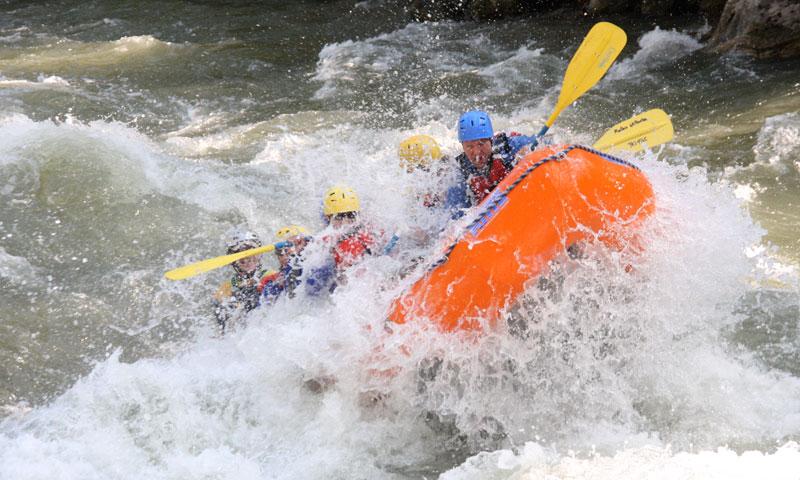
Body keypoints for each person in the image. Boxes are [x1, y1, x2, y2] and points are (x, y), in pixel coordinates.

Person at [449, 110, 537, 209]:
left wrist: (529, 155)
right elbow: (455, 214)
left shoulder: (507, 147)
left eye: (481, 143)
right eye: (469, 147)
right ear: (462, 146)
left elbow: (545, 142)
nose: (477, 152)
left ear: (491, 140)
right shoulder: (460, 170)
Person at [305, 185, 382, 294]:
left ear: (358, 214)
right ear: (328, 217)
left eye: (351, 215)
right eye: (339, 216)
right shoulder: (324, 241)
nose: (345, 221)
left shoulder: (369, 231)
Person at [212, 229, 273, 333]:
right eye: (242, 258)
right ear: (233, 262)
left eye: (252, 255)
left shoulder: (270, 276)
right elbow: (224, 327)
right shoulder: (226, 288)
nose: (247, 260)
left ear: (259, 256)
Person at [261, 225, 310, 305]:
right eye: (280, 252)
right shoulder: (273, 280)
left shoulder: (316, 264)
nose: (285, 255)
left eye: (296, 245)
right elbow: (265, 303)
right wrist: (277, 286)